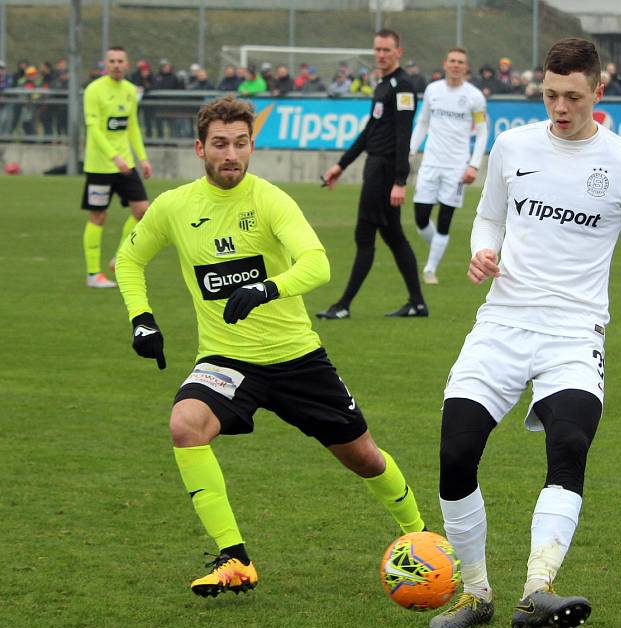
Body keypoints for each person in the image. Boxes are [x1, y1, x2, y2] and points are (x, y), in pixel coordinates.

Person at [115, 94, 426, 598]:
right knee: (185, 424)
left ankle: (420, 534)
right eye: (220, 144)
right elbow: (128, 261)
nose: (231, 154)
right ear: (200, 148)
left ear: (251, 146)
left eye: (241, 143)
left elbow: (318, 264)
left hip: (296, 358)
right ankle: (234, 558)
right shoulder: (175, 207)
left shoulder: (270, 199)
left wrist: (266, 288)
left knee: (365, 458)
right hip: (228, 360)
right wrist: (142, 320)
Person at [427, 38, 621, 628]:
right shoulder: (512, 146)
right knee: (456, 453)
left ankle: (539, 587)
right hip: (503, 321)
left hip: (574, 331)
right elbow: (488, 215)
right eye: (549, 95)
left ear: (597, 91)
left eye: (571, 96)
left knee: (569, 443)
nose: (559, 107)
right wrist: (482, 250)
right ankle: (477, 592)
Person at [316, 30, 427, 320]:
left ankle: (343, 305)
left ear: (398, 52)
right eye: (377, 49)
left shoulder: (403, 86)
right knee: (394, 237)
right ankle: (417, 303)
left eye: (386, 49)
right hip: (375, 166)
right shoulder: (382, 84)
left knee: (364, 234)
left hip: (384, 171)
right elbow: (370, 131)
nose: (381, 54)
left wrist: (400, 180)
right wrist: (340, 165)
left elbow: (404, 135)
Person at [409, 47, 487, 285]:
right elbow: (422, 122)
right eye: (451, 60)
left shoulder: (474, 97)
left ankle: (430, 268)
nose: (455, 65)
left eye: (460, 62)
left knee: (444, 219)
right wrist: (410, 150)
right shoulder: (432, 90)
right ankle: (438, 246)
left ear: (466, 67)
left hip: (456, 167)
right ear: (445, 64)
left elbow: (482, 132)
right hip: (431, 163)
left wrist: (474, 165)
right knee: (420, 218)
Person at [81, 46, 151, 288]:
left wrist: (142, 158)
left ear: (127, 63)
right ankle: (93, 275)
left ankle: (120, 257)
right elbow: (94, 129)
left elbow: (132, 127)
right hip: (100, 166)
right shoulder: (93, 90)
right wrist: (113, 157)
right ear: (105, 64)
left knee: (143, 211)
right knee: (98, 215)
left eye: (120, 60)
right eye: (112, 61)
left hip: (126, 165)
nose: (117, 65)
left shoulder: (131, 91)